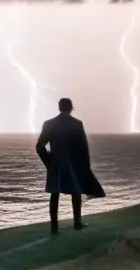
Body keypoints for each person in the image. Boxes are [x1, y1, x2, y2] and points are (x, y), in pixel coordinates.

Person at [35, 98, 106, 235]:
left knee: (54, 194)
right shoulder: (77, 124)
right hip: (74, 163)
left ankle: (54, 228)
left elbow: (39, 146)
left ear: (59, 107)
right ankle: (77, 223)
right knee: (76, 192)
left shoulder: (49, 124)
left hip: (55, 163)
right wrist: (85, 166)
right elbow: (84, 148)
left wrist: (48, 163)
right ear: (71, 108)